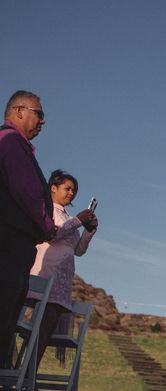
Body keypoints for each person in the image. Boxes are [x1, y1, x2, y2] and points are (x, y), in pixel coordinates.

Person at [0, 90, 55, 369]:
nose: (43, 122)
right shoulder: (10, 141)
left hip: (14, 239)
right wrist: (47, 224)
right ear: (19, 111)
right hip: (9, 239)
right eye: (39, 114)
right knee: (5, 304)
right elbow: (26, 191)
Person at [28, 170, 97, 368]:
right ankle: (22, 368)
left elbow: (78, 250)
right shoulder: (48, 209)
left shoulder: (68, 216)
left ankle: (30, 371)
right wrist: (77, 221)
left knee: (48, 325)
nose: (71, 193)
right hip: (46, 270)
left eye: (73, 190)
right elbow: (52, 235)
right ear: (53, 188)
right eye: (67, 189)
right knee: (38, 324)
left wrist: (88, 231)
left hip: (62, 278)